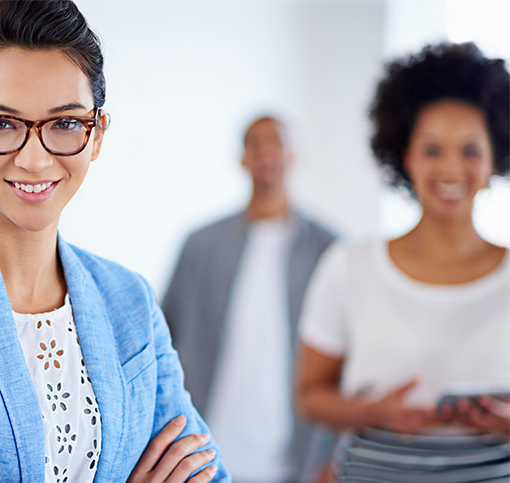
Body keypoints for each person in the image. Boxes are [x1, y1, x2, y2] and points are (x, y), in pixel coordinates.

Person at [0, 1, 229, 481]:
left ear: (97, 134)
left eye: (65, 123)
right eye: (1, 123)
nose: (34, 159)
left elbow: (207, 472)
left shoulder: (128, 297)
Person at [297, 42, 510, 480]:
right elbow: (309, 396)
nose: (451, 167)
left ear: (494, 158)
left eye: (470, 150)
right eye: (432, 149)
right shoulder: (348, 266)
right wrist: (374, 411)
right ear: (405, 156)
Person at [163, 116, 336, 482]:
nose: (266, 152)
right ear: (242, 157)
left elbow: (342, 362)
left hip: (296, 460)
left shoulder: (328, 250)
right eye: (255, 143)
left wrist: (332, 455)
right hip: (205, 452)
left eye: (276, 142)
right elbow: (164, 340)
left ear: (294, 155)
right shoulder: (201, 245)